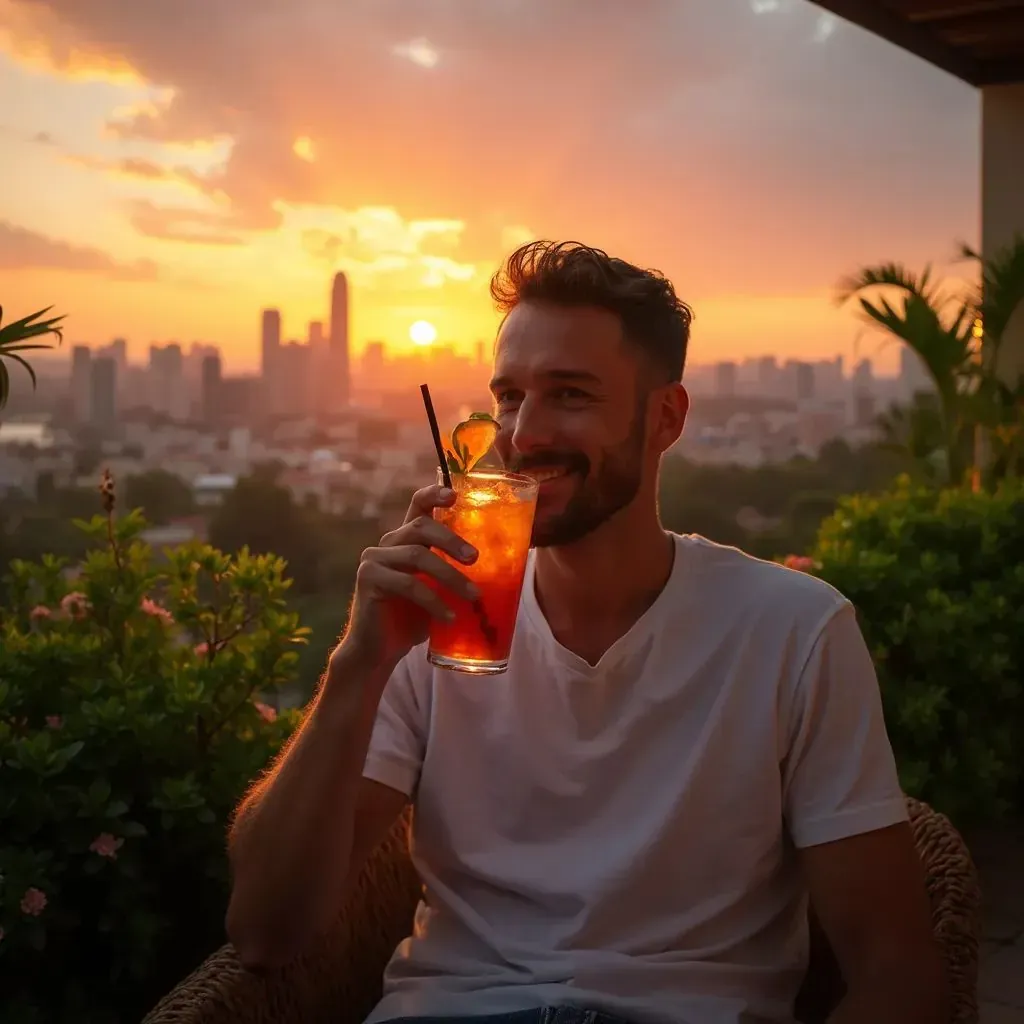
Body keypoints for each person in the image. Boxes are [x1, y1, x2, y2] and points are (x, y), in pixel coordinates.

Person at [225, 241, 949, 1024]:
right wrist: (357, 664)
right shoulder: (429, 621)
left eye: (569, 394)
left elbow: (898, 974)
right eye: (509, 397)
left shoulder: (793, 633)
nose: (524, 434)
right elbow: (266, 932)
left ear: (664, 418)